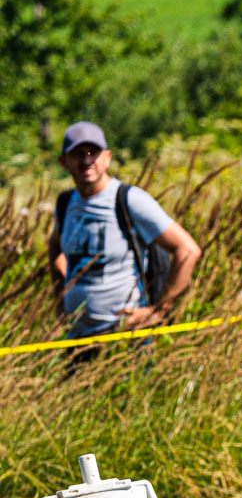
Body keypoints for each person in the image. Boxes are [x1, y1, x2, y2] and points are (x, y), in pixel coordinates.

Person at [45, 122, 202, 349]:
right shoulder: (65, 203)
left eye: (93, 153)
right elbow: (54, 246)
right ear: (64, 162)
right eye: (78, 154)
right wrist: (61, 298)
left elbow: (188, 250)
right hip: (77, 339)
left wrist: (159, 311)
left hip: (126, 339)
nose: (87, 160)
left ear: (107, 158)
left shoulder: (129, 200)